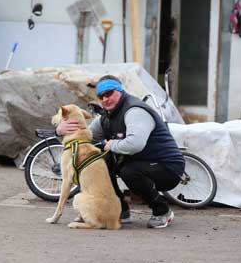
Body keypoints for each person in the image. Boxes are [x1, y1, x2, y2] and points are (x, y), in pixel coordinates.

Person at [56, 75, 185, 229]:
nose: (105, 99)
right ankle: (120, 211)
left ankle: (162, 211)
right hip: (140, 161)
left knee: (129, 171)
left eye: (109, 93)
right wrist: (60, 130)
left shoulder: (135, 110)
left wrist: (111, 144)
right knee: (99, 160)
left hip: (167, 166)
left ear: (120, 91)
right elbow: (85, 138)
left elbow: (135, 145)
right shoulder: (106, 116)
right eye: (100, 96)